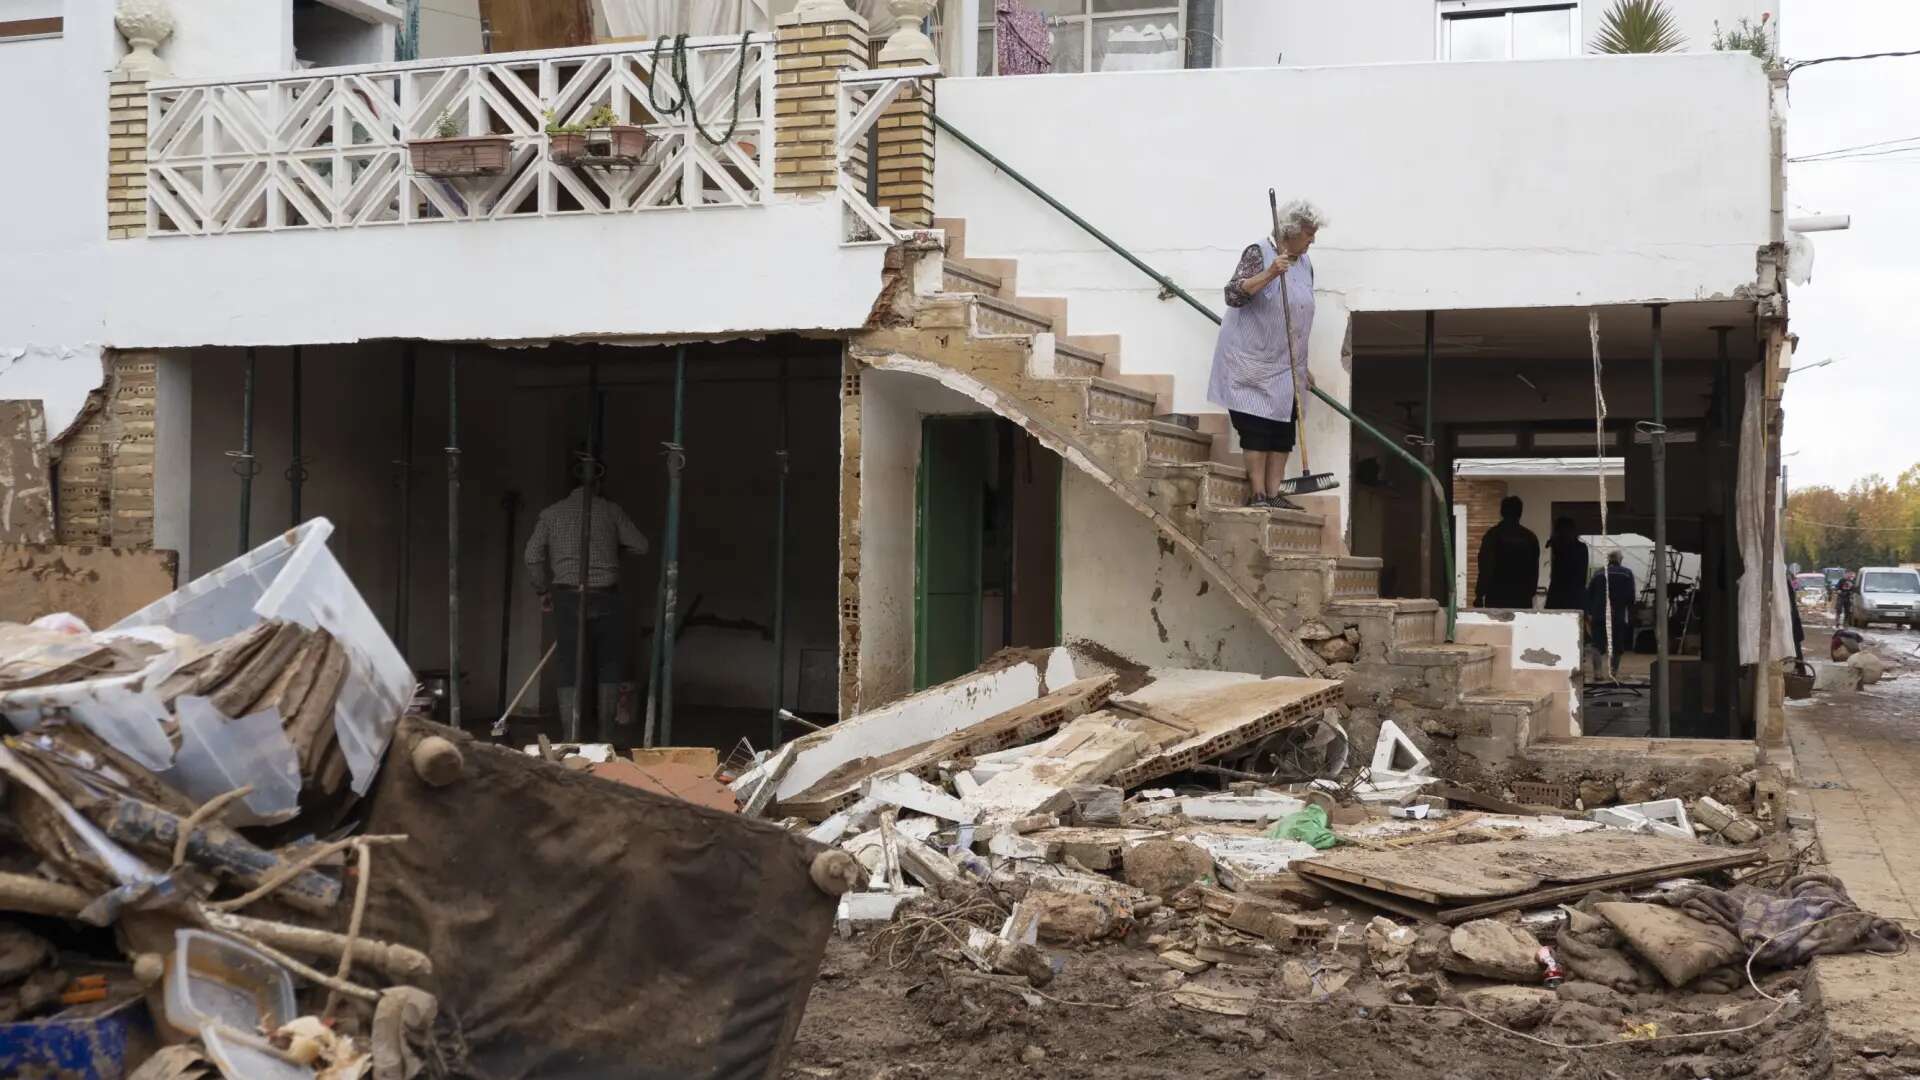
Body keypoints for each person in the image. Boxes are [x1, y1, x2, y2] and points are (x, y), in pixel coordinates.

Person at [1207, 199, 1328, 510]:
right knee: (1256, 428)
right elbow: (1233, 294)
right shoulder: (1259, 252)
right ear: (1290, 231)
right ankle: (1258, 493)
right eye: (1308, 233)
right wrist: (1271, 273)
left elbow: (1299, 316)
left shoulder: (1305, 264)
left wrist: (1304, 363)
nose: (1312, 239)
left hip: (1287, 363)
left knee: (1283, 430)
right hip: (1251, 360)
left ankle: (1274, 493)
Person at [524, 462, 650, 739]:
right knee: (609, 662)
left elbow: (532, 556)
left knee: (569, 663)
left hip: (567, 596)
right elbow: (641, 545)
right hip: (606, 596)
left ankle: (571, 737)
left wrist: (542, 591)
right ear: (601, 484)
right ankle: (606, 735)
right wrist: (615, 547)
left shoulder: (551, 513)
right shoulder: (611, 510)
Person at [1474, 495, 1540, 609]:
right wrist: (1530, 592)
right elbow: (1534, 570)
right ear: (1520, 513)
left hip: (1497, 596)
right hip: (1521, 597)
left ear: (1502, 512)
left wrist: (1480, 594)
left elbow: (1485, 566)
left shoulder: (1493, 535)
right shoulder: (1529, 537)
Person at [1585, 550, 1637, 679]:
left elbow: (1589, 594)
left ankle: (1597, 673)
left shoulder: (1598, 573)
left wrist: (1590, 612)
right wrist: (1630, 613)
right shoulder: (1627, 573)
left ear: (1608, 559)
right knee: (1617, 645)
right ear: (1620, 559)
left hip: (1599, 615)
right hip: (1617, 615)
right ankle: (1613, 673)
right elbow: (1631, 596)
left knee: (1597, 644)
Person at [1544, 516, 1589, 610]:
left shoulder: (1557, 545)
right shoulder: (1581, 548)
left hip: (1557, 597)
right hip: (1576, 597)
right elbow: (1583, 577)